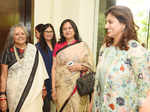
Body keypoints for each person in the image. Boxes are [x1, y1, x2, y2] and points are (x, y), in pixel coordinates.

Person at [91, 5, 150, 112]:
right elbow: (97, 83)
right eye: (106, 22)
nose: (106, 26)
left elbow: (145, 90)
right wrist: (91, 106)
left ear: (123, 24)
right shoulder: (105, 48)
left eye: (110, 22)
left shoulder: (136, 50)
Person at [0, 24, 49, 112]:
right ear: (12, 37)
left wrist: (43, 87)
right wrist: (2, 96)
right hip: (14, 92)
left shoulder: (34, 50)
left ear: (26, 35)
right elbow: (4, 75)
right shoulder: (7, 52)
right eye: (17, 34)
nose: (20, 36)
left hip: (34, 91)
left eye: (22, 33)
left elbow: (40, 71)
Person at [51, 19, 95, 112]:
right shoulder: (58, 46)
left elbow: (90, 66)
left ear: (74, 30)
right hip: (62, 88)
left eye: (70, 28)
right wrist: (53, 89)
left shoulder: (83, 46)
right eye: (64, 29)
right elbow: (54, 68)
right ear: (62, 32)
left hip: (79, 87)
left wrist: (80, 67)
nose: (67, 31)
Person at [36, 23, 57, 112]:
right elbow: (37, 69)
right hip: (44, 83)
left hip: (57, 81)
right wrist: (42, 85)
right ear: (42, 33)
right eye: (46, 31)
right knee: (46, 109)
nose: (49, 33)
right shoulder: (37, 48)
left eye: (51, 31)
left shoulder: (58, 46)